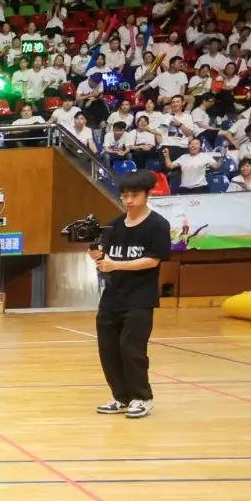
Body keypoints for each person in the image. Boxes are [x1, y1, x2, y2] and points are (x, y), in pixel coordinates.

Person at [91, 171, 171, 419]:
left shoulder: (158, 225)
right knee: (109, 349)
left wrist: (116, 265)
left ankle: (142, 397)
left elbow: (153, 260)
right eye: (125, 196)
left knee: (132, 349)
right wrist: (96, 253)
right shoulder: (114, 225)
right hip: (111, 298)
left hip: (140, 299)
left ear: (148, 194)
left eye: (134, 195)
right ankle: (122, 397)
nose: (129, 201)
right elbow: (104, 258)